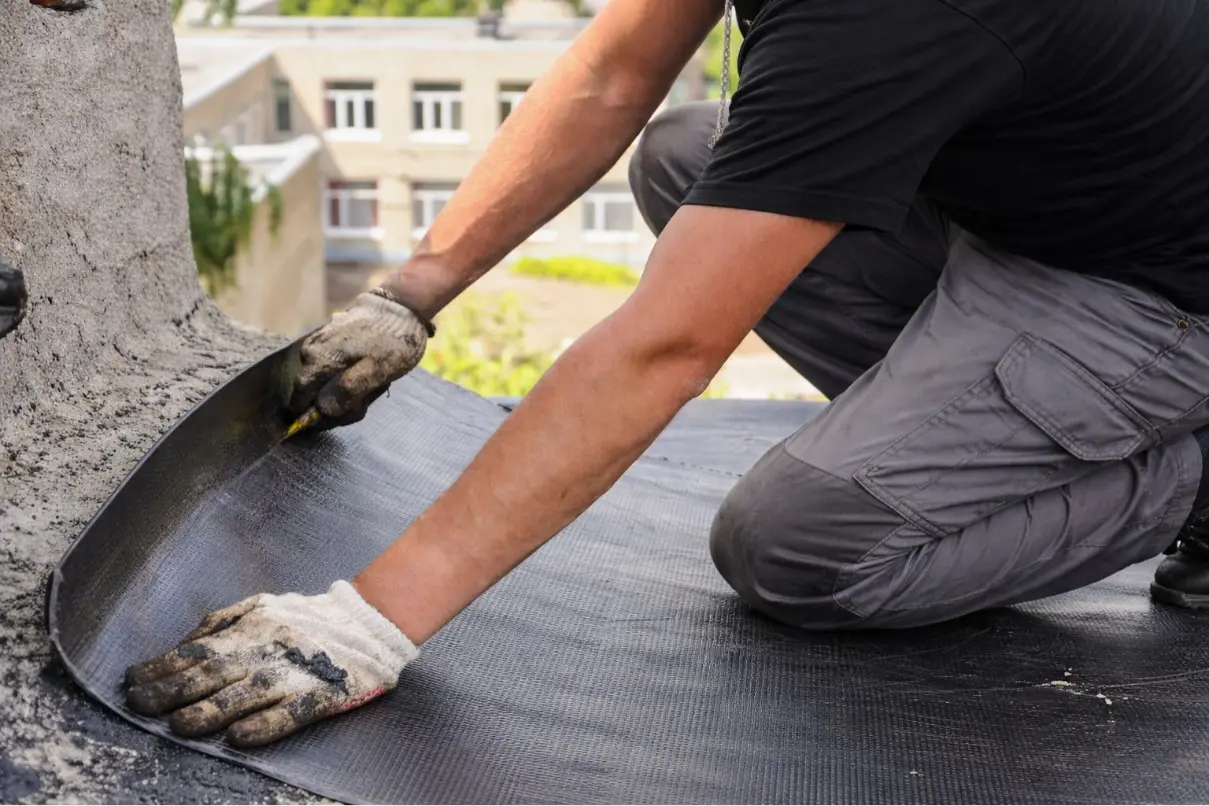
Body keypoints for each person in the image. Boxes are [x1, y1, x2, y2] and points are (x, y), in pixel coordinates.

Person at [123, 0, 1209, 748]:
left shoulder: (886, 19)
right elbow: (609, 77)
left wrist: (369, 622)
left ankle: (1186, 477)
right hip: (1047, 200)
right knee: (686, 158)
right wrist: (411, 295)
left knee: (797, 547)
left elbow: (667, 347)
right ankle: (1001, 425)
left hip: (1155, 288)